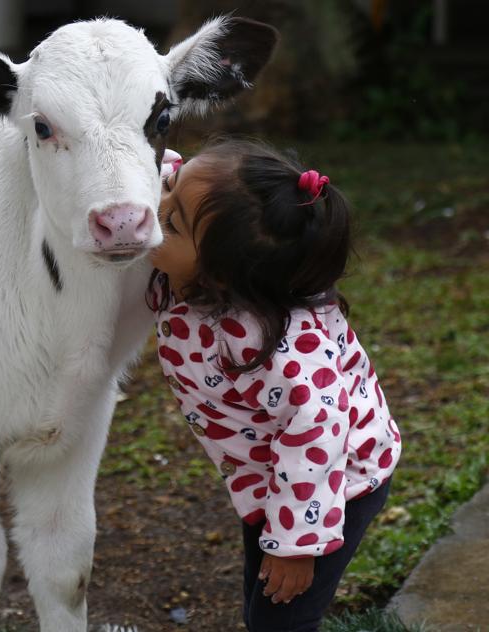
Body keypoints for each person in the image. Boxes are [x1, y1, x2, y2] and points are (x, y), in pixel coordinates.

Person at [147, 139, 402, 631]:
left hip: (335, 483)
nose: (154, 208)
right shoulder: (203, 265)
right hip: (273, 478)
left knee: (280, 618)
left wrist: (296, 545)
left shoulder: (278, 350)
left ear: (219, 275)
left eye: (172, 220)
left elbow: (319, 435)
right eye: (170, 191)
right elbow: (164, 174)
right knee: (260, 600)